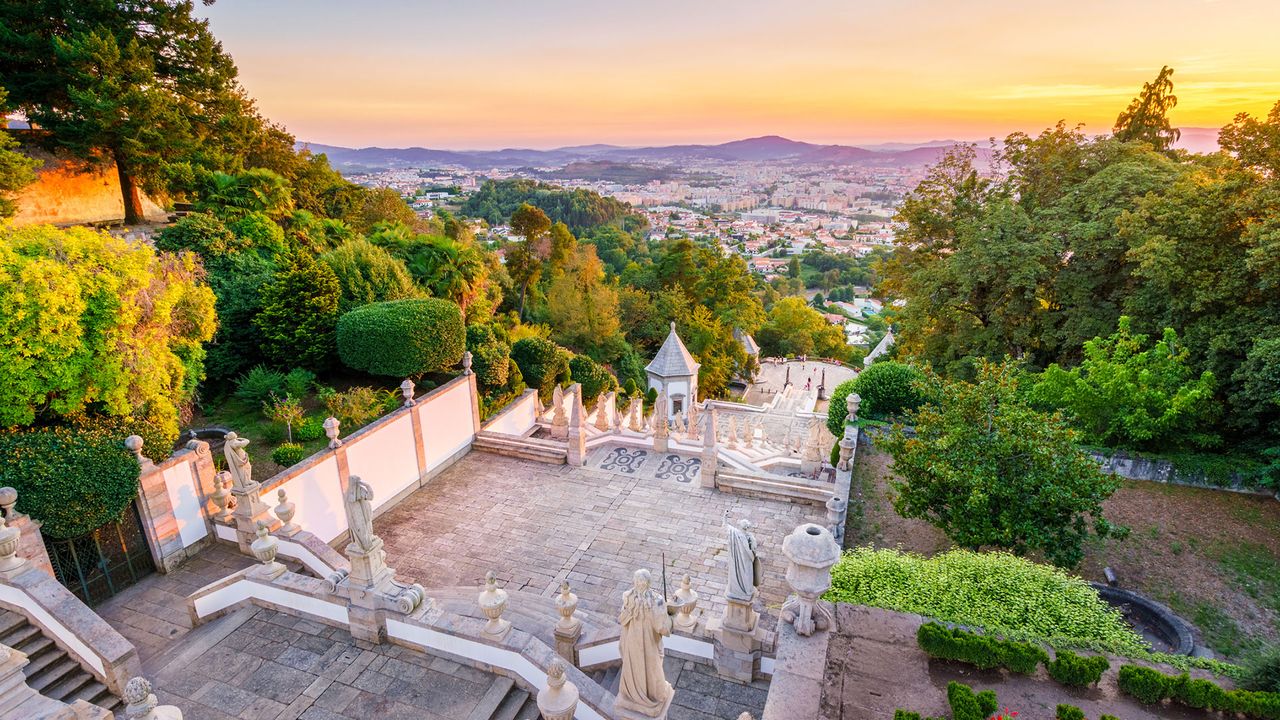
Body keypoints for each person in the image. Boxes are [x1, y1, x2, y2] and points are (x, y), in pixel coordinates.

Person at [616, 569, 674, 716]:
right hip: (632, 642)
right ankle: (633, 695)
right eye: (637, 580)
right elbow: (622, 619)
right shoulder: (628, 597)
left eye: (642, 581)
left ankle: (652, 693)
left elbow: (661, 626)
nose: (639, 584)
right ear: (634, 581)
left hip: (649, 643)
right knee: (633, 667)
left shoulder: (656, 599)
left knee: (652, 668)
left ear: (648, 583)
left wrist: (665, 616)